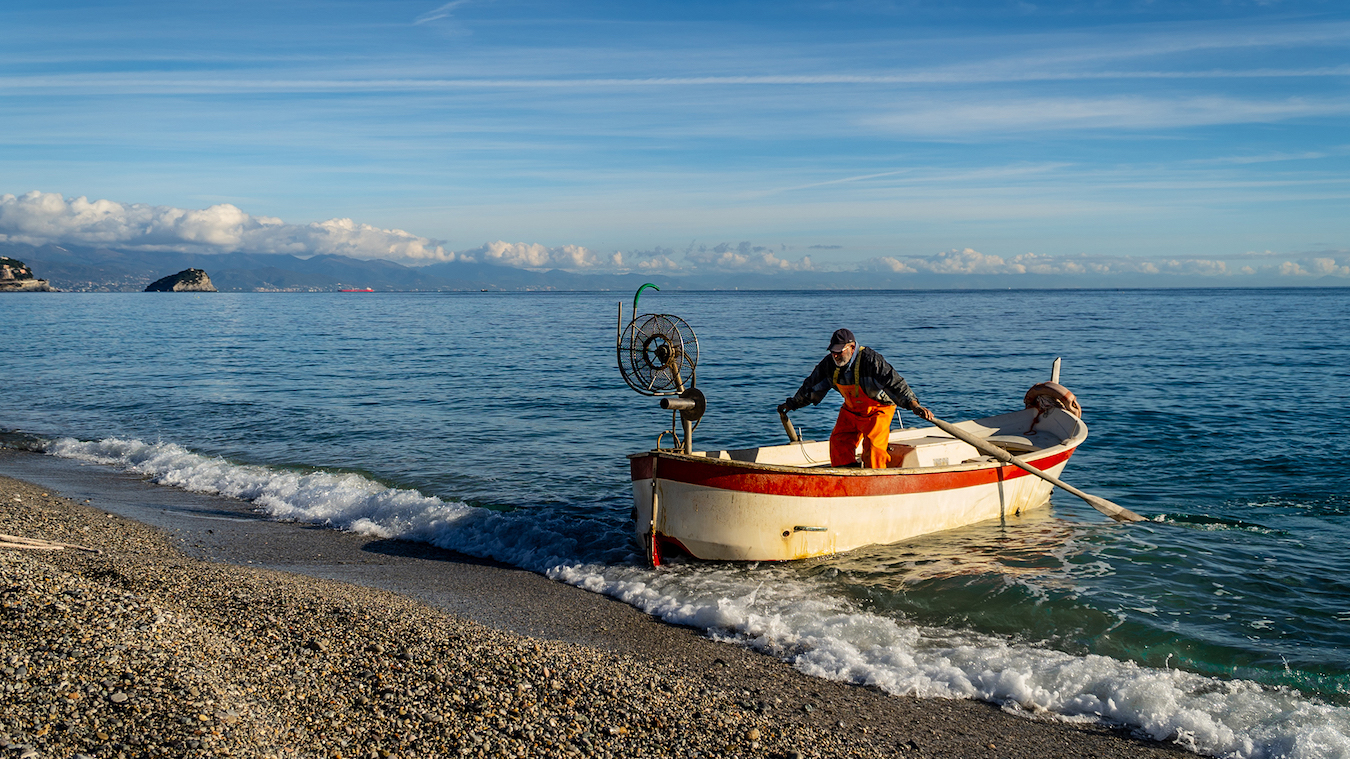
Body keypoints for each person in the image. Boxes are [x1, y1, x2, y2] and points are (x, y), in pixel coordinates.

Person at [777, 328, 934, 469]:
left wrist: (914, 405)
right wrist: (792, 404)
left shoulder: (872, 361)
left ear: (852, 348)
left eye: (839, 351)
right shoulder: (828, 365)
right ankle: (845, 475)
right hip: (851, 410)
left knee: (874, 449)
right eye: (833, 351)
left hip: (878, 410)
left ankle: (877, 482)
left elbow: (896, 384)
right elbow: (810, 388)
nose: (835, 355)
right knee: (838, 442)